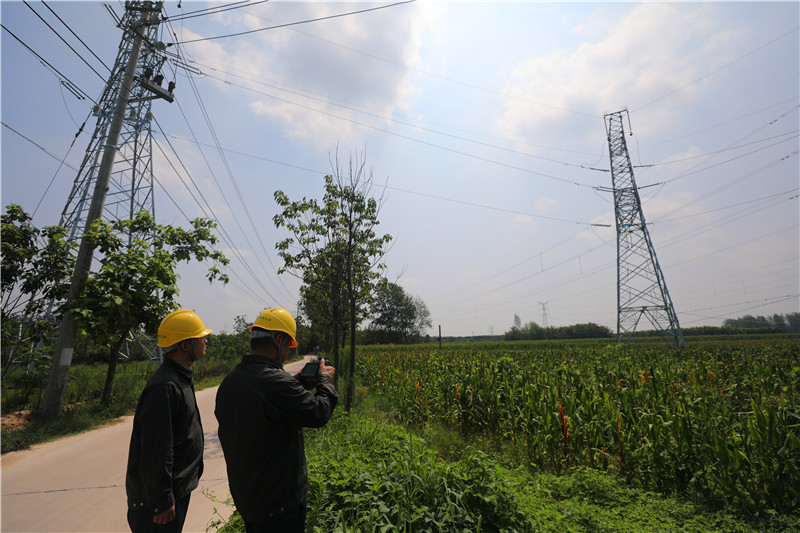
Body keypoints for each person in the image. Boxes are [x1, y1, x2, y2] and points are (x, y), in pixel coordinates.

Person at [215, 307, 338, 533]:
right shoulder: (276, 383)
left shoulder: (231, 379)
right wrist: (325, 381)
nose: (288, 353)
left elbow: (264, 404)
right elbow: (319, 412)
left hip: (250, 501)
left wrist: (295, 383)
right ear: (279, 340)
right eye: (289, 346)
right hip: (279, 505)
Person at [125, 309, 212, 533]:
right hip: (157, 504)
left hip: (173, 492)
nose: (205, 340)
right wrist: (162, 500)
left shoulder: (179, 378)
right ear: (185, 345)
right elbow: (156, 448)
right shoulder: (166, 386)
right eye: (200, 337)